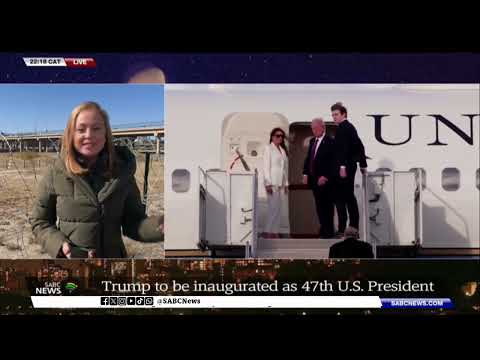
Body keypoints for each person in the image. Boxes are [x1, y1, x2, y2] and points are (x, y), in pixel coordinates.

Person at [29, 101, 163, 259]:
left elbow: (134, 223)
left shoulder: (122, 173)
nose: (89, 135)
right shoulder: (55, 173)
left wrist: (161, 226)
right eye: (81, 129)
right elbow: (39, 221)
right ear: (71, 135)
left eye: (96, 128)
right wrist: (59, 245)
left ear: (106, 135)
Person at [331, 102, 368, 236]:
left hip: (345, 168)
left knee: (346, 198)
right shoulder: (349, 127)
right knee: (346, 197)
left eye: (336, 114)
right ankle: (349, 227)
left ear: (343, 114)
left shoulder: (344, 128)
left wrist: (342, 166)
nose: (334, 117)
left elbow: (344, 149)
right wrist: (363, 165)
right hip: (348, 167)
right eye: (333, 115)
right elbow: (360, 146)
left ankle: (349, 227)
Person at [302, 118, 336, 238]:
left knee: (327, 207)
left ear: (323, 127)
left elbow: (333, 162)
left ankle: (328, 231)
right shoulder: (313, 141)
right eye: (312, 128)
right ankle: (324, 228)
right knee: (319, 207)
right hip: (314, 180)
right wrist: (305, 174)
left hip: (325, 181)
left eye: (316, 128)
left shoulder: (330, 142)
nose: (314, 130)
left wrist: (326, 176)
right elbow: (309, 159)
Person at [263, 127, 289, 238]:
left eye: (282, 136)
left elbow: (285, 169)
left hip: (281, 183)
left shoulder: (283, 150)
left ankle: (275, 231)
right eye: (277, 136)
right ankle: (268, 231)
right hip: (272, 182)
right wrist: (267, 183)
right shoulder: (268, 148)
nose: (280, 138)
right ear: (272, 137)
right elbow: (266, 167)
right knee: (273, 208)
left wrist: (286, 183)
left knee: (279, 208)